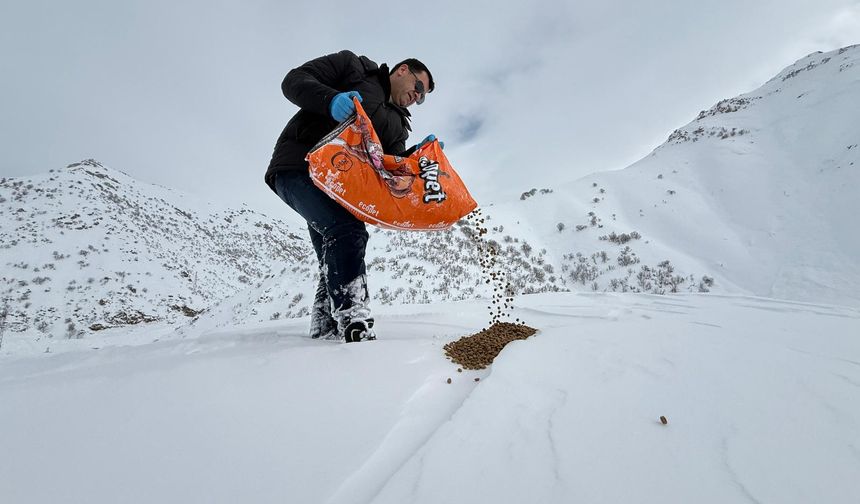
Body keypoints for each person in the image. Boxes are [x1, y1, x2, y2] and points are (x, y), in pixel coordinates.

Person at [264, 50, 439, 343]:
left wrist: (419, 158)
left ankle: (324, 329)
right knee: (346, 231)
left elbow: (392, 167)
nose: (416, 98)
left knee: (333, 256)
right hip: (299, 166)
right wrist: (330, 100)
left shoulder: (397, 125)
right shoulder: (352, 68)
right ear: (402, 71)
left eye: (422, 98)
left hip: (338, 188)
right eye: (418, 88)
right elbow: (293, 81)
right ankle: (354, 321)